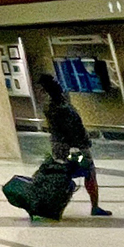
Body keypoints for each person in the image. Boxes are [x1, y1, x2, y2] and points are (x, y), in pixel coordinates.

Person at [34, 72, 111, 217]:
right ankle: (95, 207)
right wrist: (82, 144)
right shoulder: (63, 108)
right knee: (89, 172)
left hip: (59, 149)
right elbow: (74, 129)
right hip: (76, 150)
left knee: (63, 174)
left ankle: (51, 204)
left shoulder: (49, 107)